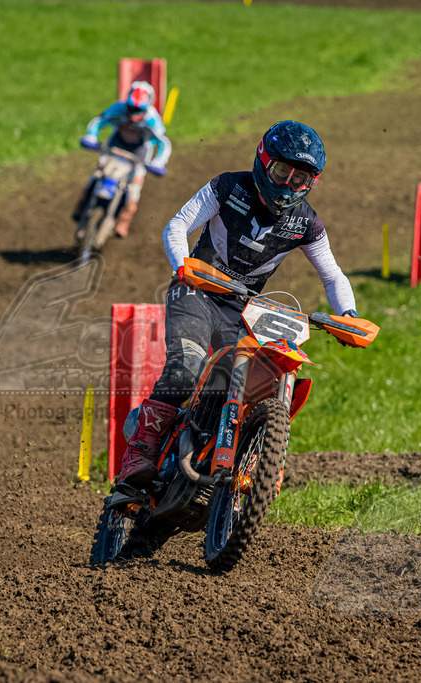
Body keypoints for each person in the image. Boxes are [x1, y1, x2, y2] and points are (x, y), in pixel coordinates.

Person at [117, 120, 359, 486]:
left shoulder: (306, 222)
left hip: (242, 308)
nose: (287, 184)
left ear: (311, 183)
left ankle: (234, 453)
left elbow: (332, 275)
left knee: (252, 380)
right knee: (188, 364)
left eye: (300, 179)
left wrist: (348, 315)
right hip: (196, 290)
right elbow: (178, 225)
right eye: (281, 171)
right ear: (263, 162)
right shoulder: (229, 186)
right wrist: (182, 266)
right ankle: (140, 456)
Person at [73, 80, 172, 238]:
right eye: (131, 107)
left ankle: (124, 220)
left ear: (147, 106)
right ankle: (81, 206)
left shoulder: (152, 119)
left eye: (138, 109)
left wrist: (159, 162)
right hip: (115, 145)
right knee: (97, 174)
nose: (133, 113)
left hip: (139, 153)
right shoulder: (118, 108)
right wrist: (91, 136)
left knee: (134, 188)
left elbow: (163, 142)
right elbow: (99, 121)